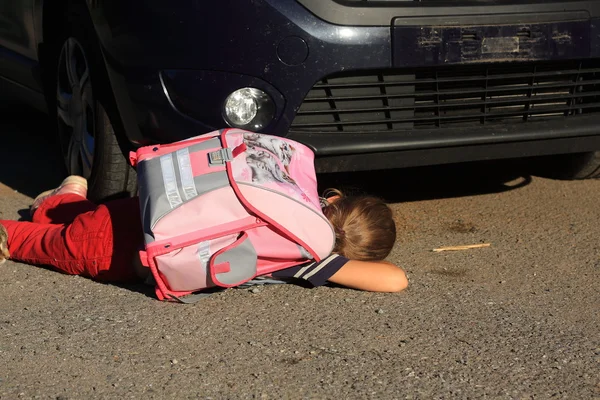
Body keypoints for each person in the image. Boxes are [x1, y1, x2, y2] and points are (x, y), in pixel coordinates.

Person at [0, 176, 408, 295]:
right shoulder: (305, 254)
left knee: (80, 218)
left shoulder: (285, 189)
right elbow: (396, 280)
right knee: (27, 243)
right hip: (116, 252)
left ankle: (65, 197)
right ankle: (52, 209)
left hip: (137, 209)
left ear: (332, 197)